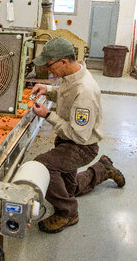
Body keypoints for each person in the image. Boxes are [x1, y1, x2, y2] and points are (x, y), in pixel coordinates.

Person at [30, 37, 125, 234]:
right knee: (68, 190)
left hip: (80, 147)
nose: (48, 70)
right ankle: (103, 169)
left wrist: (48, 115)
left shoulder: (85, 92)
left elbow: (79, 136)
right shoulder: (71, 75)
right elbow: (65, 93)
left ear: (63, 61)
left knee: (43, 165)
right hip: (66, 141)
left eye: (49, 65)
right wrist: (47, 90)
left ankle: (67, 212)